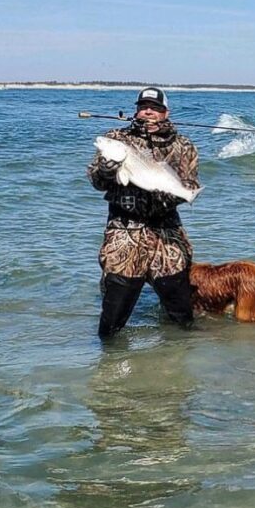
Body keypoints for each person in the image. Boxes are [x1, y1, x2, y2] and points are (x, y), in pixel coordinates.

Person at [87, 87, 199, 338]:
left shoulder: (183, 146)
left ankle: (177, 360)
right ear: (137, 110)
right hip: (124, 229)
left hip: (167, 229)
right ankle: (109, 362)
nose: (148, 111)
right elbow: (96, 181)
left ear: (166, 112)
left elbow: (189, 185)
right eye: (143, 106)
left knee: (181, 311)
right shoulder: (117, 139)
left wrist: (166, 190)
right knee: (114, 311)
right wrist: (106, 170)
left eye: (155, 108)